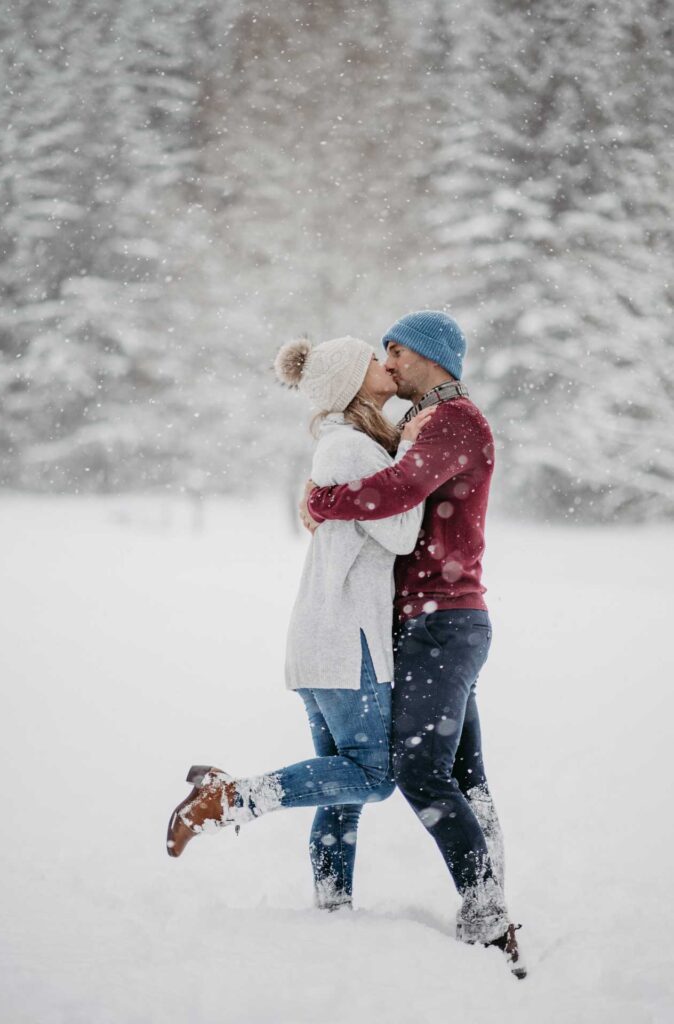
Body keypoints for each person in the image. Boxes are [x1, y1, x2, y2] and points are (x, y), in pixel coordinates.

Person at [166, 334, 434, 913]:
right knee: (372, 775)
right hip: (346, 641)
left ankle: (331, 908)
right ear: (350, 380)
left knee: (340, 790)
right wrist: (411, 456)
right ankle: (229, 799)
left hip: (326, 636)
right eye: (370, 359)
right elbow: (403, 533)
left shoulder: (348, 445)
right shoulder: (352, 450)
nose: (382, 364)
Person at [302, 310, 526, 978]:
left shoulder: (455, 420)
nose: (388, 363)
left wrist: (325, 500)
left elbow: (398, 491)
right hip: (430, 620)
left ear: (428, 355)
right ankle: (490, 906)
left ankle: (489, 918)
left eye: (394, 350)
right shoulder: (421, 421)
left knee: (419, 767)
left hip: (444, 621)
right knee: (463, 772)